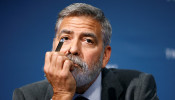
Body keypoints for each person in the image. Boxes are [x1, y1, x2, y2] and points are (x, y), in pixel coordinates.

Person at [13, 3, 159, 100]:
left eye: (88, 40)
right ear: (54, 47)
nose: (73, 49)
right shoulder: (27, 96)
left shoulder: (137, 89)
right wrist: (61, 95)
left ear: (105, 56)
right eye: (65, 38)